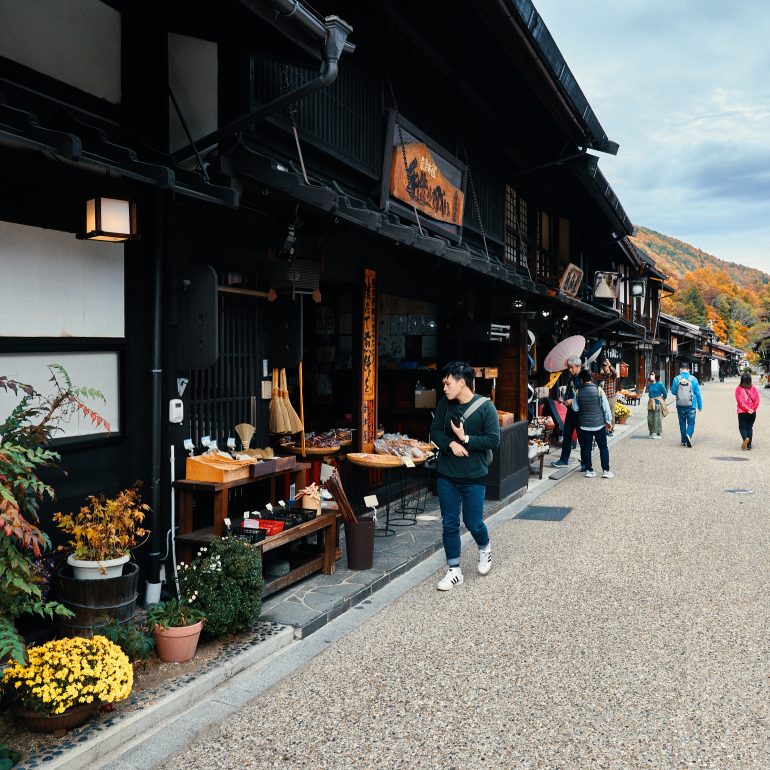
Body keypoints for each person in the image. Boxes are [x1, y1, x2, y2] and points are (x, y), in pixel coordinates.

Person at [429, 361, 500, 591]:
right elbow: (435, 430)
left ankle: (484, 547)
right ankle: (454, 570)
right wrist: (450, 443)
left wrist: (466, 439)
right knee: (450, 524)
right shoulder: (444, 405)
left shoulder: (485, 407)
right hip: (447, 474)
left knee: (473, 522)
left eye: (448, 383)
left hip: (474, 475)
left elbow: (493, 440)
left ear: (461, 383)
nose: (445, 388)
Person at [572, 369, 613, 478]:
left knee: (586, 448)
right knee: (603, 447)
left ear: (581, 380)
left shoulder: (578, 392)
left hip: (584, 426)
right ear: (592, 378)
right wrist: (608, 421)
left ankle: (589, 470)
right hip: (599, 425)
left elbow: (575, 408)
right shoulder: (599, 390)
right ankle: (606, 471)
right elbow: (606, 408)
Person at [550, 356, 583, 468]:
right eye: (569, 367)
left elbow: (584, 395)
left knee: (582, 438)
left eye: (571, 367)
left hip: (580, 413)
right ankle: (564, 460)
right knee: (567, 436)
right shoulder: (571, 378)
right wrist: (563, 398)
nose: (570, 369)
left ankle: (585, 463)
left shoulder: (583, 378)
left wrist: (572, 401)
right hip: (570, 412)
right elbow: (569, 392)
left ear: (578, 366)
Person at [671, 362, 703, 447]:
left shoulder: (676, 379)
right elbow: (698, 393)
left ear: (680, 369)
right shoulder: (693, 379)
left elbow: (673, 392)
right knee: (691, 422)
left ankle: (683, 441)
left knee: (682, 422)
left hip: (680, 405)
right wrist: (700, 405)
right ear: (688, 369)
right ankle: (688, 434)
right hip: (691, 405)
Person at [735, 372, 760, 450]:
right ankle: (749, 445)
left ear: (741, 380)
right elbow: (757, 400)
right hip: (752, 412)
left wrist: (747, 409)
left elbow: (739, 401)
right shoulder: (754, 388)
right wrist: (752, 409)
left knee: (742, 427)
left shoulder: (738, 389)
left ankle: (745, 438)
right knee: (749, 427)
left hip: (742, 412)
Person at [596, 358, 618, 435]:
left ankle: (611, 429)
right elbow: (594, 375)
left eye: (605, 366)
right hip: (604, 397)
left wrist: (610, 365)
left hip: (611, 397)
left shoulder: (612, 375)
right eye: (603, 366)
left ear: (608, 366)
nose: (604, 367)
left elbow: (616, 373)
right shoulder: (603, 375)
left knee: (611, 413)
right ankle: (605, 429)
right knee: (604, 413)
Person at [646, 372, 668, 439]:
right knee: (650, 418)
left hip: (657, 402)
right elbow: (649, 392)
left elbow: (665, 393)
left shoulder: (660, 384)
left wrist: (661, 399)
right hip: (650, 402)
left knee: (657, 418)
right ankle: (651, 431)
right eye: (651, 374)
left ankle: (658, 433)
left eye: (653, 374)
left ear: (656, 376)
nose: (651, 375)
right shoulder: (649, 384)